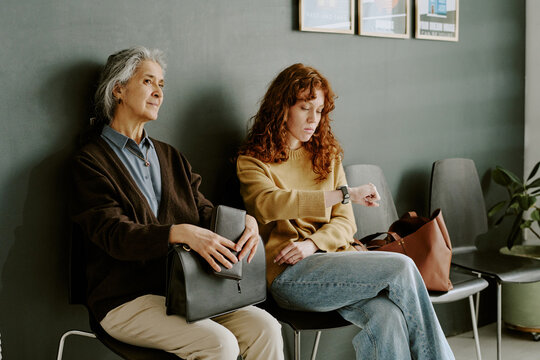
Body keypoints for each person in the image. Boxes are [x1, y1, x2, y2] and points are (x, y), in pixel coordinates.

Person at [70, 46, 284, 360]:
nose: (158, 92)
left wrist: (246, 222)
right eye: (148, 82)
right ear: (118, 89)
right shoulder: (90, 161)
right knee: (219, 345)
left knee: (266, 327)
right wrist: (177, 232)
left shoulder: (170, 155)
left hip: (189, 293)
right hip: (124, 299)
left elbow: (204, 211)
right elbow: (114, 234)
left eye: (162, 85)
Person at [236, 63, 455, 360]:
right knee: (401, 267)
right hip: (291, 277)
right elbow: (269, 203)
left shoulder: (326, 155)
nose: (314, 119)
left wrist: (312, 243)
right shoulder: (253, 161)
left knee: (386, 317)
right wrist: (342, 194)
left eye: (320, 110)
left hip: (340, 262)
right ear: (281, 107)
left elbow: (345, 221)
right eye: (305, 108)